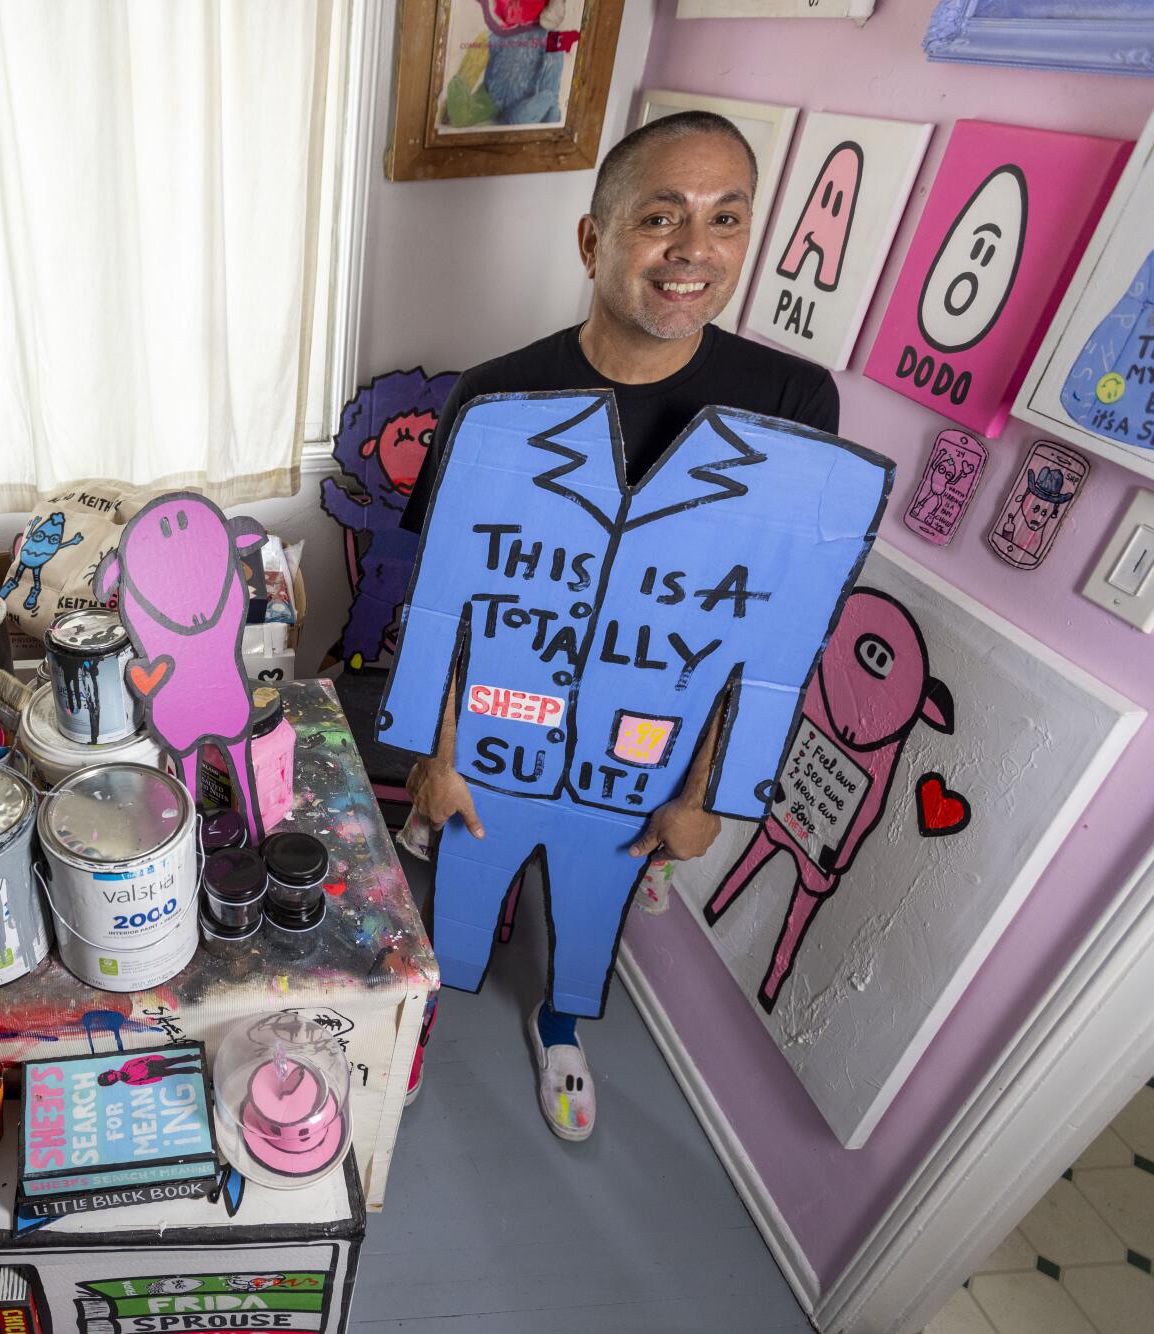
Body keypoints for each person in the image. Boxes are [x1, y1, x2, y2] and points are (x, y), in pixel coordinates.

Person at [397, 111, 840, 1142]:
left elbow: (771, 632)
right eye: (659, 217)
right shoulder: (497, 397)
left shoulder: (785, 402)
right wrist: (438, 752)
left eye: (723, 218)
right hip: (501, 730)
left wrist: (708, 798)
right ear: (594, 240)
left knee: (591, 912)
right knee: (459, 899)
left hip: (647, 748)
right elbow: (448, 599)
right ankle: (415, 1016)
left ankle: (557, 1022)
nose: (693, 249)